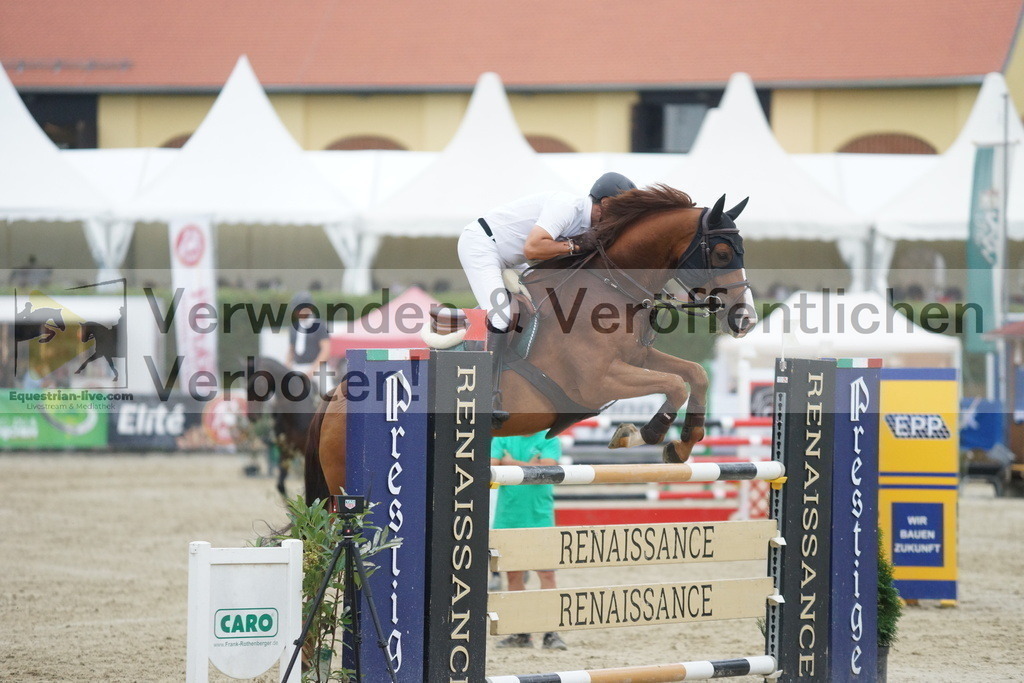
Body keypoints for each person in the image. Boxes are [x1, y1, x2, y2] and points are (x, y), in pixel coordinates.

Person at [457, 172, 637, 425]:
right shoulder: (566, 207)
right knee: (501, 315)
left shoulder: (589, 225)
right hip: (481, 245)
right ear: (605, 203)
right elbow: (533, 248)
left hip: (510, 257)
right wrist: (575, 246)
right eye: (620, 212)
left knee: (547, 306)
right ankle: (484, 395)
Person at [490, 431, 568, 650]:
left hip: (538, 517)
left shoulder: (549, 437)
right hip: (509, 518)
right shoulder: (503, 437)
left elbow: (547, 469)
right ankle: (522, 633)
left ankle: (550, 632)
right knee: (513, 576)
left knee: (547, 575)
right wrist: (531, 465)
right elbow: (491, 467)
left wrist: (510, 463)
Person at [286, 292, 332, 395]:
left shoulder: (319, 326)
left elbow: (326, 350)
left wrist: (312, 369)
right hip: (297, 366)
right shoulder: (293, 327)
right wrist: (287, 365)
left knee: (328, 392)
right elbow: (291, 350)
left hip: (317, 368)